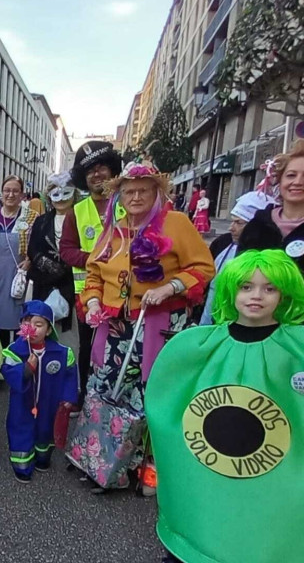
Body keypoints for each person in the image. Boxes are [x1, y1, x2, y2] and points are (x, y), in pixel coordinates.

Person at [144, 250, 304, 563]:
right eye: (246, 287)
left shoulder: (297, 348)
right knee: (193, 495)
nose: (256, 296)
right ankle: (179, 555)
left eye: (269, 289)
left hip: (278, 456)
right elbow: (168, 396)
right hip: (207, 447)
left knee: (270, 506)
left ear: (285, 294)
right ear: (231, 291)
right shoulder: (199, 344)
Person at [70, 161, 215, 492]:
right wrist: (92, 301)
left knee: (152, 395)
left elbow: (204, 267)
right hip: (115, 326)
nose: (135, 197)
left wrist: (170, 287)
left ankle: (148, 467)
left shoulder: (175, 223)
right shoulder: (114, 228)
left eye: (143, 191)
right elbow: (93, 274)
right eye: (129, 191)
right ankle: (104, 459)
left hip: (158, 323)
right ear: (119, 196)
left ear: (156, 193)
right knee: (105, 389)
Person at [60, 140, 123, 395]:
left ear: (112, 169)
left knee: (120, 343)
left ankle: (116, 397)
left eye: (101, 168)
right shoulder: (76, 212)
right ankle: (84, 395)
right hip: (87, 294)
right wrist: (96, 260)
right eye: (89, 171)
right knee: (87, 346)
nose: (96, 174)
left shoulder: (130, 202)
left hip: (124, 291)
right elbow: (66, 250)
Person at [1, 300, 78, 481]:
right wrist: (27, 368)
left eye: (39, 324)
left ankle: (43, 458)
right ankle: (22, 466)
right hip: (23, 403)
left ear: (49, 329)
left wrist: (68, 397)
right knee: (20, 429)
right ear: (20, 325)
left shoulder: (62, 353)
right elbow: (7, 371)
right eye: (27, 323)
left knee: (46, 430)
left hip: (49, 401)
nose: (32, 329)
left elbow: (70, 375)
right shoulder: (14, 351)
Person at [199, 191, 275, 325]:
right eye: (232, 221)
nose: (231, 228)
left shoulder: (268, 255)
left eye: (239, 222)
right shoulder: (222, 243)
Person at [0, 175, 38, 346]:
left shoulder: (32, 217)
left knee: (22, 320)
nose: (10, 195)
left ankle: (20, 359)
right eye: (7, 190)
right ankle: (0, 361)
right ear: (1, 193)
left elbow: (38, 244)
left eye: (15, 191)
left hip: (20, 276)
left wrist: (30, 261)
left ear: (22, 194)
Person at [27, 172, 77, 351]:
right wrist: (50, 266)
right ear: (49, 197)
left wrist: (66, 268)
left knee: (68, 337)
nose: (61, 199)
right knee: (42, 330)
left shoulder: (81, 219)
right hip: (44, 283)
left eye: (66, 193)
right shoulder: (41, 221)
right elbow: (32, 249)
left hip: (72, 285)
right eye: (56, 194)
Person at [239, 139, 304, 275]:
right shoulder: (257, 225)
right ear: (279, 181)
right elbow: (238, 274)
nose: (298, 182)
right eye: (291, 175)